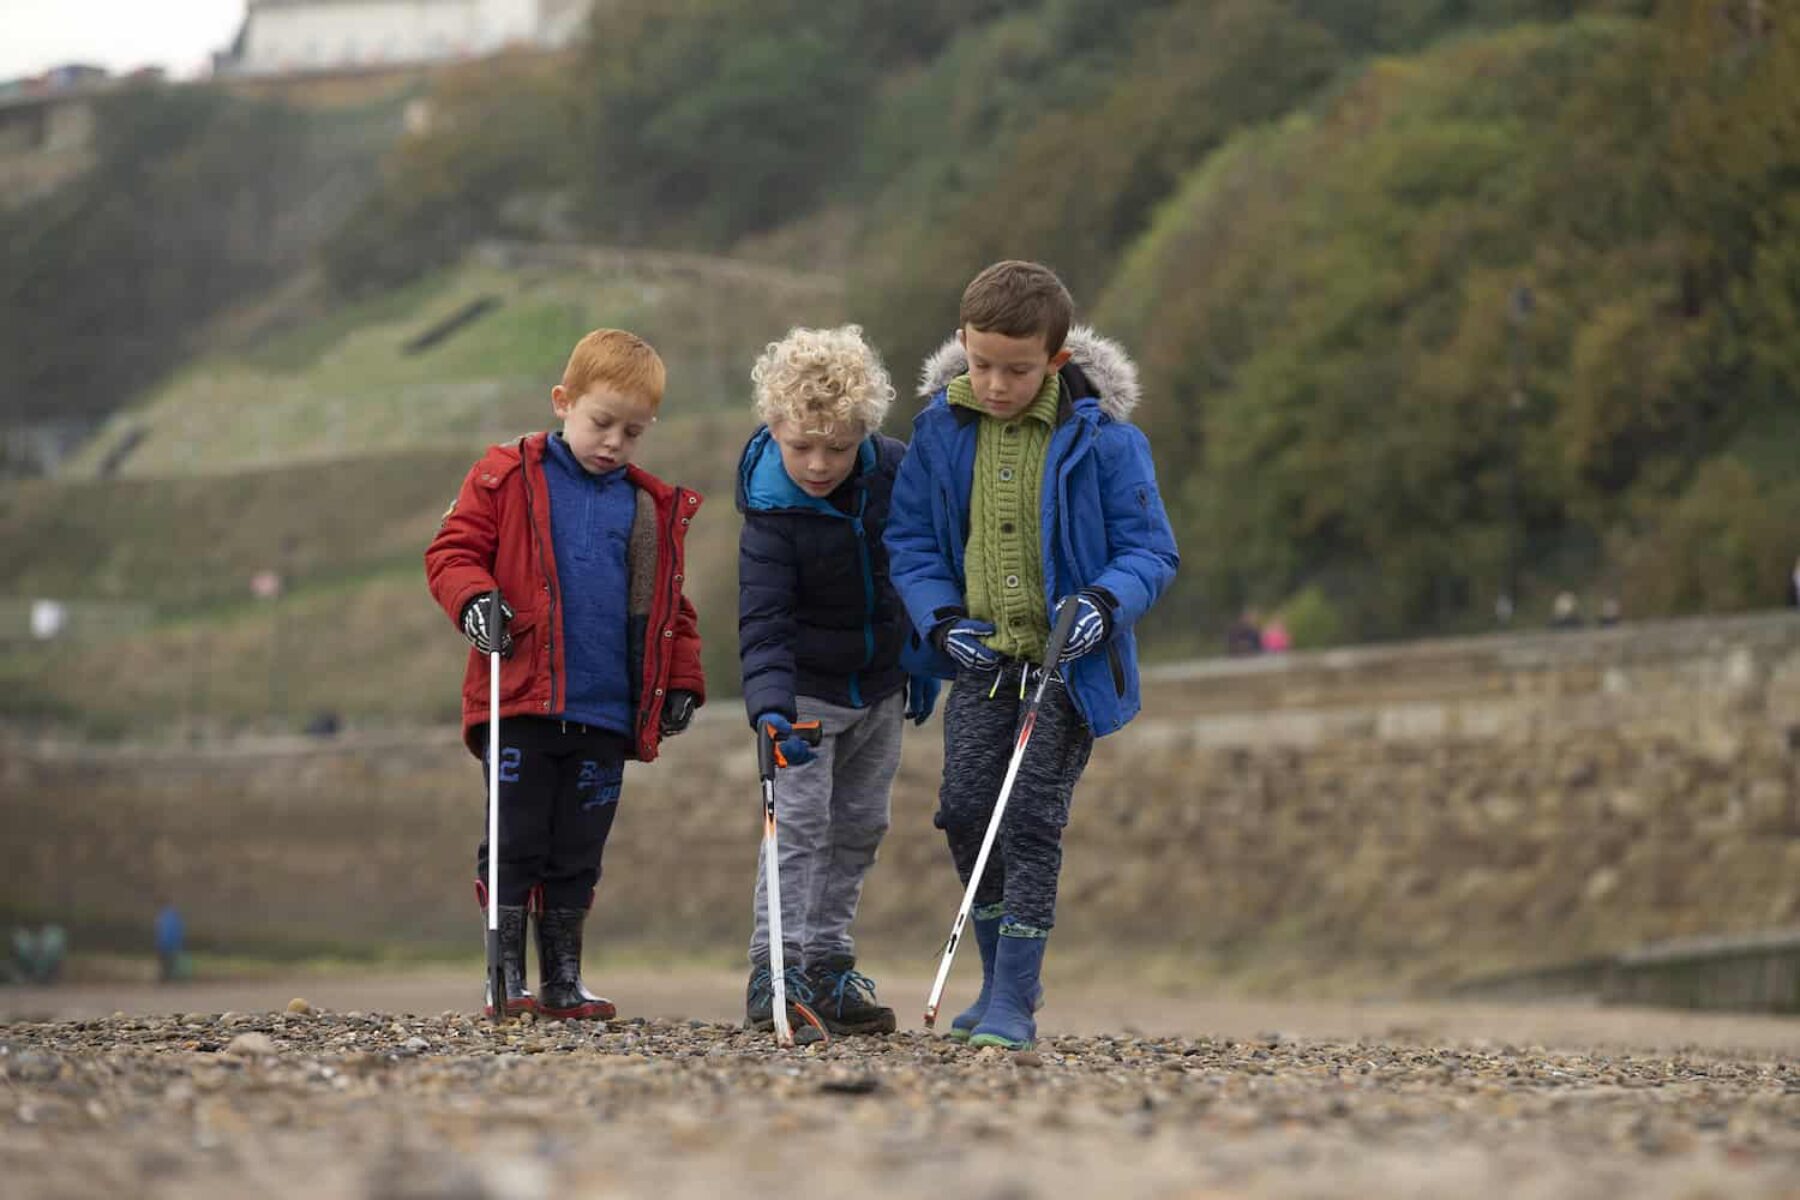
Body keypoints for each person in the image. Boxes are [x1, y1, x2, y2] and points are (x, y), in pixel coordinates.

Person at [886, 261, 1179, 1050]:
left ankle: (1014, 997)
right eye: (981, 364)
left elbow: (1151, 553)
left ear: (1055, 360)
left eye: (1016, 370)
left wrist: (1102, 606)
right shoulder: (938, 434)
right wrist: (940, 621)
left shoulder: (1111, 443)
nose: (995, 383)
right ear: (962, 344)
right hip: (979, 664)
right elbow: (909, 543)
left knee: (1029, 821)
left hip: (1066, 673)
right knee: (964, 814)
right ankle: (999, 978)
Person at [426, 328, 705, 1020]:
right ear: (562, 402)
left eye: (632, 432)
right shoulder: (505, 475)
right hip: (518, 699)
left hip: (606, 712)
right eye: (601, 422)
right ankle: (504, 978)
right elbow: (451, 551)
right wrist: (473, 603)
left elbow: (674, 603)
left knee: (579, 847)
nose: (613, 442)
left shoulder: (647, 508)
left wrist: (681, 683)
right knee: (516, 836)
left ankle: (563, 979)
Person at [736, 325, 937, 1038]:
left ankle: (827, 964)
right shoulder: (769, 513)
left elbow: (914, 566)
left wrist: (921, 652)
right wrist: (769, 708)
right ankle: (776, 971)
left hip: (879, 685)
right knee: (796, 828)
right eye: (801, 447)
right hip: (803, 696)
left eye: (838, 447)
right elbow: (762, 622)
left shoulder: (893, 472)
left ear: (864, 434)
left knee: (859, 826)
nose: (819, 464)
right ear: (775, 428)